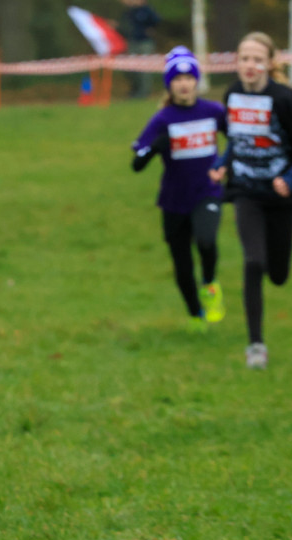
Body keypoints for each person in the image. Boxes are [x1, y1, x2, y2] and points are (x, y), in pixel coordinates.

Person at [209, 32, 292, 370]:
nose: (250, 66)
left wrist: (290, 178)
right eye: (244, 59)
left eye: (257, 60)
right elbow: (236, 141)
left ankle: (276, 267)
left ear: (270, 63)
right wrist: (222, 163)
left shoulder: (286, 100)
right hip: (246, 191)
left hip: (281, 194)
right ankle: (255, 345)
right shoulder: (232, 94)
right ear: (237, 62)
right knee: (253, 262)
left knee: (278, 274)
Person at [131, 46, 226, 331]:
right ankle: (195, 313)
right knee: (182, 265)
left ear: (197, 80)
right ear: (169, 84)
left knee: (207, 240)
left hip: (207, 191)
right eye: (177, 79)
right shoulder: (162, 119)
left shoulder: (213, 111)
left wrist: (225, 164)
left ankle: (210, 286)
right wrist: (155, 148)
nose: (183, 84)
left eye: (188, 77)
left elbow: (238, 139)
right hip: (173, 200)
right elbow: (137, 163)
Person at [119, 0, 160, 98]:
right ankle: (135, 91)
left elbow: (157, 20)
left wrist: (150, 29)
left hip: (144, 42)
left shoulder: (147, 10)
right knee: (131, 68)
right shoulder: (130, 12)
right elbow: (126, 27)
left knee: (144, 69)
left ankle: (144, 93)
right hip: (132, 42)